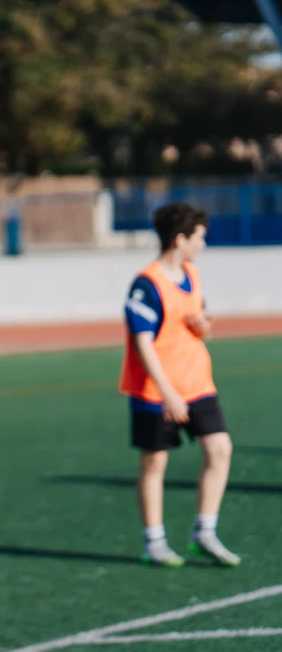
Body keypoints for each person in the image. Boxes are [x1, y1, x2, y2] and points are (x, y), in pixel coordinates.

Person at [120, 202, 239, 567]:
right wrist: (167, 392)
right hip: (157, 391)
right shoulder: (147, 284)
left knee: (220, 449)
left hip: (197, 382)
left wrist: (202, 327)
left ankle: (204, 530)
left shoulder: (193, 275)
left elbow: (192, 321)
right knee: (155, 463)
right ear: (180, 239)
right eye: (199, 237)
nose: (203, 243)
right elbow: (142, 343)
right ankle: (154, 541)